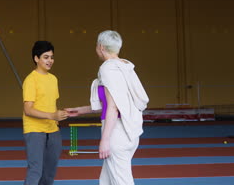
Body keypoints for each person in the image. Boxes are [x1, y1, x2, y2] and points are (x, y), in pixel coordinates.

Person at [66, 30, 149, 185]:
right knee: (106, 181)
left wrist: (105, 140)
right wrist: (80, 110)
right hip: (131, 133)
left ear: (101, 47)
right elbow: (112, 103)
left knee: (121, 182)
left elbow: (112, 107)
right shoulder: (126, 67)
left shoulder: (107, 69)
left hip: (117, 135)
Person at [22, 41, 69, 185]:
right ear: (36, 58)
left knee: (49, 173)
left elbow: (50, 105)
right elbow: (28, 109)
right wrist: (52, 115)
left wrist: (61, 114)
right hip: (35, 131)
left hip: (53, 130)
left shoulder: (53, 79)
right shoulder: (31, 80)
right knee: (35, 171)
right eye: (46, 57)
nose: (50, 61)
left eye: (52, 57)